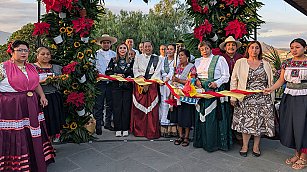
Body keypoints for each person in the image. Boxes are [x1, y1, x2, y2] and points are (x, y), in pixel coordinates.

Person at [0, 40, 55, 171]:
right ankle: (15, 165)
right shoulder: (3, 67)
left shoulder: (31, 67)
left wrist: (42, 96)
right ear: (12, 52)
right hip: (11, 107)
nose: (23, 53)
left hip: (30, 104)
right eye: (20, 50)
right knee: (16, 134)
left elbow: (35, 83)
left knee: (30, 132)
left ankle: (34, 162)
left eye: (26, 50)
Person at [264, 38, 307, 169]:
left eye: (297, 47)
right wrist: (271, 88)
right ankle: (297, 153)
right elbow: (281, 80)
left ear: (305, 48)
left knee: (303, 126)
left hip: (304, 97)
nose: (294, 50)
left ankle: (304, 157)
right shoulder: (286, 63)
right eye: (292, 47)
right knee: (292, 125)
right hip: (288, 97)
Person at [231, 41, 275, 157]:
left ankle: (256, 146)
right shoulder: (241, 62)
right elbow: (234, 79)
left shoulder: (266, 64)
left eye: (257, 48)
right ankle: (245, 145)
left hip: (263, 99)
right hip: (246, 98)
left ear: (260, 50)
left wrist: (271, 96)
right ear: (248, 50)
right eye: (252, 48)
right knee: (246, 123)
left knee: (259, 123)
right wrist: (233, 97)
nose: (254, 50)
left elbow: (270, 82)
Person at [193, 40, 232, 152]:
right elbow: (194, 75)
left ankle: (214, 143)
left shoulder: (220, 59)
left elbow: (226, 76)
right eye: (202, 49)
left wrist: (217, 83)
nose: (204, 51)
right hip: (201, 91)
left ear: (210, 48)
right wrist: (196, 81)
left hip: (214, 90)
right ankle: (202, 141)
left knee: (213, 117)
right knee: (202, 115)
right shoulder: (197, 61)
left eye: (206, 48)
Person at [131, 41, 162, 139]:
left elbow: (158, 72)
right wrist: (141, 80)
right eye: (146, 47)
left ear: (152, 47)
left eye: (149, 46)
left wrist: (148, 83)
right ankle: (139, 131)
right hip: (140, 84)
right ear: (142, 48)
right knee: (139, 109)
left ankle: (151, 131)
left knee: (152, 110)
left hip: (152, 85)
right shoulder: (137, 57)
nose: (147, 48)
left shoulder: (158, 58)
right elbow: (135, 69)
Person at [34, 46, 65, 141]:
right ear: (37, 56)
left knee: (53, 120)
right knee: (41, 121)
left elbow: (63, 82)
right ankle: (41, 145)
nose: (46, 56)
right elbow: (29, 82)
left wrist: (58, 80)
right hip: (38, 98)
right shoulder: (32, 67)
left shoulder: (56, 68)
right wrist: (41, 81)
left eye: (48, 54)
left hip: (53, 96)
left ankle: (50, 144)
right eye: (42, 54)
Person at [105, 43, 134, 137]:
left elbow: (135, 72)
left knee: (126, 107)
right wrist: (116, 75)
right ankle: (118, 128)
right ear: (117, 50)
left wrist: (129, 76)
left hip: (127, 88)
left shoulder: (132, 60)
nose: (122, 50)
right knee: (117, 108)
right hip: (116, 87)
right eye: (120, 48)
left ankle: (125, 128)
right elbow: (108, 72)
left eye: (124, 48)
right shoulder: (113, 60)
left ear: (127, 50)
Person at [172, 49, 196, 147]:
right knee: (179, 115)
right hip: (177, 94)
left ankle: (186, 136)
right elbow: (174, 80)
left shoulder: (191, 67)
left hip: (186, 94)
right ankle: (180, 136)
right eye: (179, 56)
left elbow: (192, 81)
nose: (180, 57)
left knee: (187, 115)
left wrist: (178, 80)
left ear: (187, 57)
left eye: (182, 55)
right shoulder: (177, 67)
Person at [94, 34, 117, 134]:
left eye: (108, 43)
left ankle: (108, 122)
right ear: (101, 44)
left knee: (110, 104)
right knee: (98, 104)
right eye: (104, 43)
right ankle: (98, 124)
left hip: (111, 82)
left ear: (110, 44)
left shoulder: (114, 54)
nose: (106, 44)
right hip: (100, 82)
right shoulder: (96, 54)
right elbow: (92, 66)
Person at [159, 44, 176, 137]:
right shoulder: (162, 60)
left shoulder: (176, 61)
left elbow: (173, 71)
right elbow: (158, 71)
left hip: (172, 83)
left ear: (174, 51)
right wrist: (159, 80)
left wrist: (167, 79)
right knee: (163, 103)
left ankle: (172, 127)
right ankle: (163, 125)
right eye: (168, 49)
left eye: (171, 49)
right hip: (162, 84)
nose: (169, 51)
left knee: (172, 103)